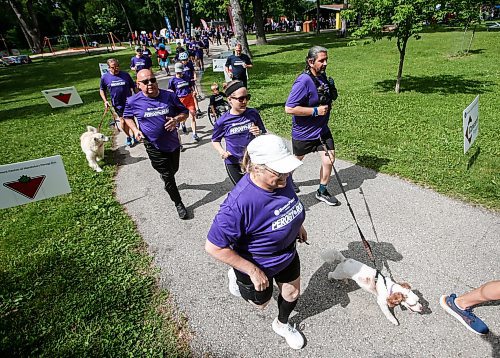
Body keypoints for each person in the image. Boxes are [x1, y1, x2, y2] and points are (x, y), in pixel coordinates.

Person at [205, 134, 307, 350]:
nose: (286, 177)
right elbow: (213, 247)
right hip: (256, 263)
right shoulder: (238, 205)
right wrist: (251, 270)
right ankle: (235, 274)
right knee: (261, 303)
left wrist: (297, 224)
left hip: (286, 253)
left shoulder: (281, 180)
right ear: (256, 167)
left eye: (288, 170)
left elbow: (288, 206)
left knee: (292, 293)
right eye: (279, 172)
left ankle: (282, 324)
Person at [123, 69, 189, 219]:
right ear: (138, 84)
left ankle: (168, 179)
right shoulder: (133, 101)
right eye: (145, 82)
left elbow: (185, 112)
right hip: (153, 145)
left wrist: (176, 120)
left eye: (152, 80)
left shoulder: (169, 96)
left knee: (174, 169)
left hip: (172, 143)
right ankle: (178, 203)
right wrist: (134, 130)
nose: (150, 84)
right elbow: (127, 117)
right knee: (168, 175)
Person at [284, 45, 340, 206]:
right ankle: (285, 180)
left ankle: (322, 191)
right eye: (321, 60)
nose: (325, 63)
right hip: (304, 133)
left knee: (329, 160)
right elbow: (289, 108)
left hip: (322, 131)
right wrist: (315, 111)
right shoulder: (303, 81)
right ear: (310, 61)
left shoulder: (321, 76)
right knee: (296, 161)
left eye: (326, 60)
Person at [211, 80, 266, 185]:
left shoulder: (253, 113)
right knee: (242, 191)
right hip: (234, 162)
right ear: (230, 100)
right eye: (241, 99)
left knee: (259, 188)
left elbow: (263, 133)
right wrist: (222, 152)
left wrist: (259, 133)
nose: (245, 101)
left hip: (253, 160)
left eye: (247, 97)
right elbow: (215, 140)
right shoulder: (222, 121)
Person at [99, 58, 137, 146]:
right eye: (113, 67)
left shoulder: (125, 75)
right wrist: (105, 101)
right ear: (108, 68)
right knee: (123, 121)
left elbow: (133, 86)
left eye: (117, 66)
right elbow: (102, 90)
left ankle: (135, 134)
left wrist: (139, 96)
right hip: (117, 103)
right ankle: (128, 136)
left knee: (131, 119)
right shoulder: (105, 77)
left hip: (129, 101)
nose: (116, 68)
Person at [168, 62, 200, 142]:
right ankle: (182, 124)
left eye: (180, 71)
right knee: (183, 116)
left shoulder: (187, 77)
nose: (179, 73)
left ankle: (194, 134)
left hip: (189, 98)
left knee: (192, 115)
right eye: (177, 72)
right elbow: (170, 91)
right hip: (180, 101)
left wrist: (194, 92)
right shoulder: (172, 80)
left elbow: (191, 86)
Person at [179, 51, 203, 116]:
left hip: (191, 82)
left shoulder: (189, 64)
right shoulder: (180, 67)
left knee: (194, 95)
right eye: (183, 60)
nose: (184, 61)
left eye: (185, 60)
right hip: (184, 84)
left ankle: (197, 109)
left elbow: (193, 71)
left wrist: (195, 77)